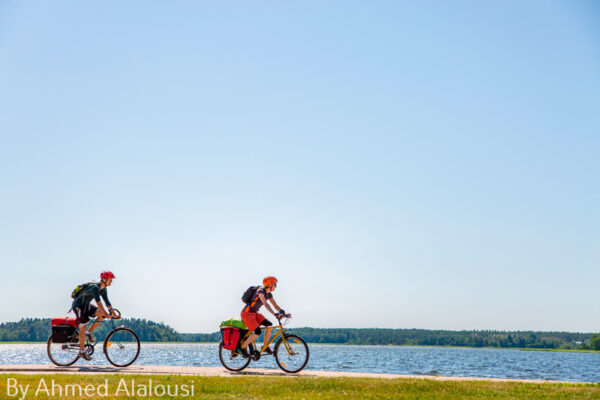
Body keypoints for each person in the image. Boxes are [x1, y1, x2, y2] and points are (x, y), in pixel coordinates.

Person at [71, 271, 120, 360]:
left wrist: (114, 315)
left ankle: (88, 333)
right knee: (83, 325)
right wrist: (106, 314)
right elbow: (99, 303)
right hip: (78, 306)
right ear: (104, 279)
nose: (111, 281)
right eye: (110, 279)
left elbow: (107, 303)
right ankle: (82, 352)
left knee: (101, 315)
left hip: (86, 305)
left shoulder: (103, 289)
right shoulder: (95, 288)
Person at [239, 276, 290, 357]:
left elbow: (275, 305)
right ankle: (242, 347)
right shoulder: (260, 291)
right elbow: (266, 304)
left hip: (254, 314)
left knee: (269, 325)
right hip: (247, 314)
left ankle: (265, 346)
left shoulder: (269, 294)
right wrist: (274, 314)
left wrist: (283, 313)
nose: (276, 287)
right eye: (275, 285)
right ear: (269, 284)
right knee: (257, 332)